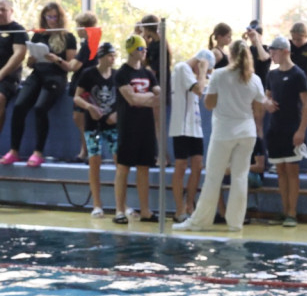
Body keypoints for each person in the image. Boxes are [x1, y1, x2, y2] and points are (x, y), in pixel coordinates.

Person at [174, 40, 264, 233]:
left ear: (230, 55)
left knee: (213, 177)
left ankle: (200, 222)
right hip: (247, 133)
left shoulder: (220, 75)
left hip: (224, 132)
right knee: (240, 177)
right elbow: (258, 109)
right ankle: (235, 223)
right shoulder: (254, 79)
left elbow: (209, 104)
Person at [1, 1, 77, 167]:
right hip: (38, 74)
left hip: (56, 76)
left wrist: (56, 59)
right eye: (48, 16)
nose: (52, 20)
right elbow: (30, 63)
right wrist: (32, 60)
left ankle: (38, 152)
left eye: (55, 17)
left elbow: (70, 66)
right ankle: (14, 150)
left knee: (40, 108)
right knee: (20, 105)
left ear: (60, 18)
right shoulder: (39, 35)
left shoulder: (68, 37)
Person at [263, 35, 307, 228]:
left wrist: (301, 130)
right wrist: (267, 104)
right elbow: (266, 97)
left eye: (273, 51)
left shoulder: (298, 74)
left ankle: (292, 212)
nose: (271, 55)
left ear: (285, 52)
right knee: (280, 172)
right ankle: (285, 211)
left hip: (291, 128)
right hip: (275, 129)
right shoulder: (271, 75)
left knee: (292, 171)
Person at [113, 34, 160, 224]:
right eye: (141, 49)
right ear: (132, 51)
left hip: (146, 127)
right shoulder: (122, 73)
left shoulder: (148, 73)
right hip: (128, 125)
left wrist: (143, 98)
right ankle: (119, 210)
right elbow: (131, 99)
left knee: (143, 168)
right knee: (123, 167)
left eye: (145, 49)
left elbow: (158, 98)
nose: (145, 52)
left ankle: (145, 210)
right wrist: (147, 98)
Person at [73, 41, 118, 218]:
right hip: (93, 125)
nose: (113, 59)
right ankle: (97, 204)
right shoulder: (88, 74)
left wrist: (117, 115)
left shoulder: (117, 75)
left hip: (112, 124)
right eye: (110, 55)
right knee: (94, 161)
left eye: (114, 55)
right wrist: (90, 108)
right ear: (101, 57)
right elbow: (77, 98)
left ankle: (120, 204)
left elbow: (124, 99)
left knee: (119, 162)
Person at [169, 49, 214, 221]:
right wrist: (202, 72)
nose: (203, 74)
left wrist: (203, 73)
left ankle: (190, 205)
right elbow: (199, 90)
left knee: (197, 165)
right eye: (205, 69)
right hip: (181, 126)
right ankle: (179, 209)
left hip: (195, 127)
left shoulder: (192, 73)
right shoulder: (182, 68)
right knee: (180, 166)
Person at [67, 10, 101, 162]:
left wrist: (57, 60)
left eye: (78, 25)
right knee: (80, 119)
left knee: (84, 120)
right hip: (83, 84)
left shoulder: (89, 44)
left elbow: (74, 65)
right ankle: (85, 150)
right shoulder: (87, 44)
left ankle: (89, 151)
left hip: (86, 87)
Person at [0, 0, 28, 139]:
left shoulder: (17, 30)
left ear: (11, 11)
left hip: (7, 78)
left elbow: (19, 55)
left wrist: (1, 74)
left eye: (3, 10)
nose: (0, 13)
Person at [138, 13, 172, 85]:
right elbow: (143, 63)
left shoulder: (161, 45)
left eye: (143, 29)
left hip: (161, 83)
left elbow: (154, 69)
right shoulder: (151, 44)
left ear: (147, 29)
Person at [289, 22, 307, 95]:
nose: (296, 42)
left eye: (299, 39)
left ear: (306, 36)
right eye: (293, 39)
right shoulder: (289, 45)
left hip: (305, 82)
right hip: (290, 82)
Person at [244, 20, 271, 87]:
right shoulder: (249, 49)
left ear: (260, 35)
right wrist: (243, 41)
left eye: (253, 35)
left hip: (262, 84)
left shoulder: (267, 48)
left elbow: (263, 58)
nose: (251, 37)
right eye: (250, 35)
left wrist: (257, 40)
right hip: (249, 84)